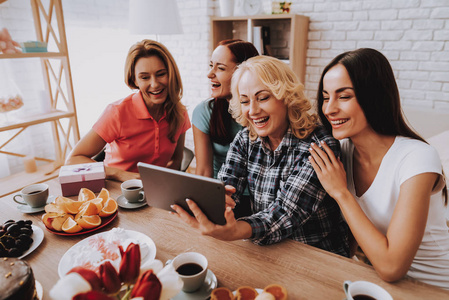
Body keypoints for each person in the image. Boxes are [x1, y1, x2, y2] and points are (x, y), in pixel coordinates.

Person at [172, 56, 350, 257]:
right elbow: (226, 186)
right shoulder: (245, 138)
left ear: (287, 96)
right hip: (269, 248)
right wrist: (218, 202)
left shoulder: (318, 145)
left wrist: (239, 229)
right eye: (245, 101)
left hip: (317, 255)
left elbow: (285, 214)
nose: (253, 111)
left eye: (263, 98)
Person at [308, 48, 449, 289]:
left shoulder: (417, 158)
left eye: (344, 96)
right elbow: (353, 233)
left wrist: (341, 192)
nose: (329, 109)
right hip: (378, 282)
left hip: (435, 287)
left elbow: (392, 267)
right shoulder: (342, 151)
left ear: (374, 97)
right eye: (325, 96)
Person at [66, 40, 191, 182]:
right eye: (145, 77)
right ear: (135, 80)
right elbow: (73, 160)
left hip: (153, 192)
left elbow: (176, 160)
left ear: (171, 74)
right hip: (114, 189)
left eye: (161, 74)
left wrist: (163, 187)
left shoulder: (180, 113)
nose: (155, 84)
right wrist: (119, 174)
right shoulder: (117, 112)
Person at [192, 39, 259, 179]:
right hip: (221, 189)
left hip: (259, 192)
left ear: (244, 72)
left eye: (220, 68)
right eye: (211, 66)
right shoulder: (204, 112)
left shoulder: (262, 112)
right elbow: (204, 171)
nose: (210, 74)